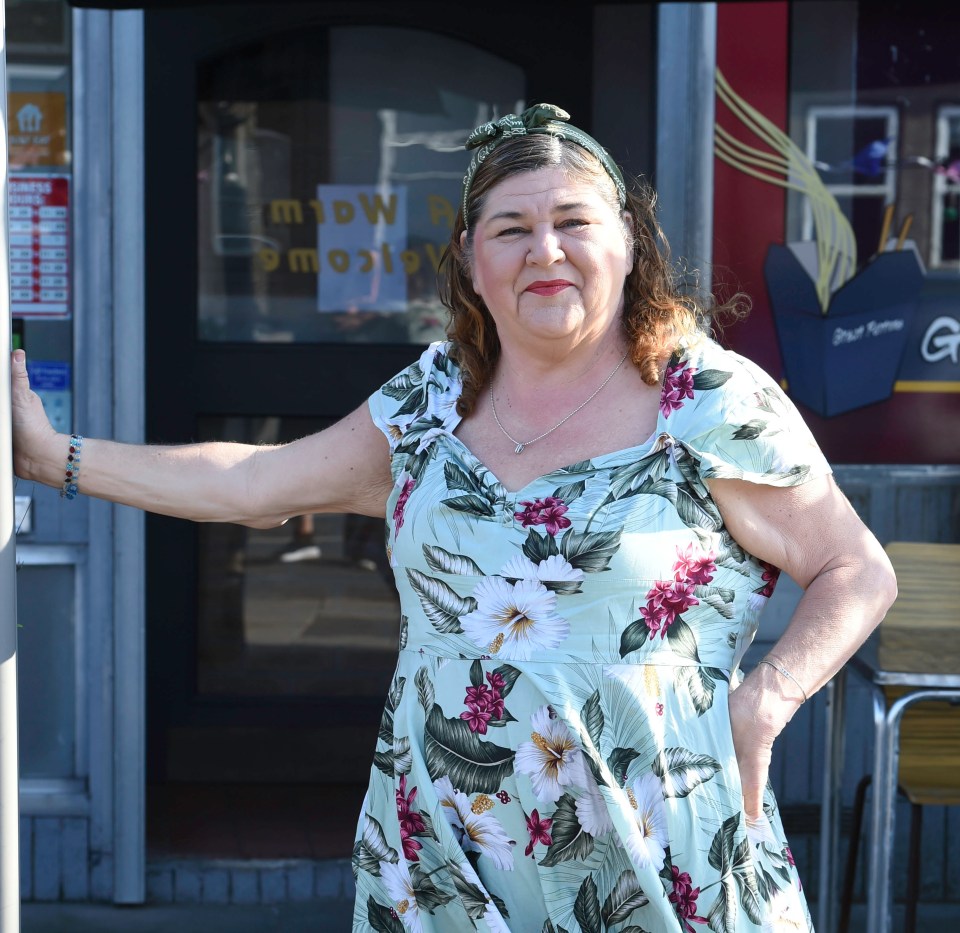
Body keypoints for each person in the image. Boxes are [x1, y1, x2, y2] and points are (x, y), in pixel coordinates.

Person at [12, 103, 896, 932]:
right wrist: (56, 457)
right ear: (473, 261)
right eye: (512, 230)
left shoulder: (705, 397)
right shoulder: (434, 398)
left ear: (629, 242)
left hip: (658, 844)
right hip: (445, 858)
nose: (545, 250)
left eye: (575, 222)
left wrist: (762, 706)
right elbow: (258, 483)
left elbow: (857, 569)